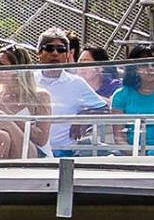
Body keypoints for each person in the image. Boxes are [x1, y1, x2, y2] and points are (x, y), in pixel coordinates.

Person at [33, 27, 109, 155]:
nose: (55, 53)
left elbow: (104, 108)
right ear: (39, 53)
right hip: (33, 150)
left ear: (68, 55)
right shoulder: (29, 80)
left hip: (64, 152)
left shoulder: (76, 82)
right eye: (50, 48)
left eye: (61, 49)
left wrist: (83, 117)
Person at [109, 44, 154, 153]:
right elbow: (119, 137)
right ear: (134, 68)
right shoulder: (121, 95)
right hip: (133, 155)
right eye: (144, 65)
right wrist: (137, 156)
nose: (150, 68)